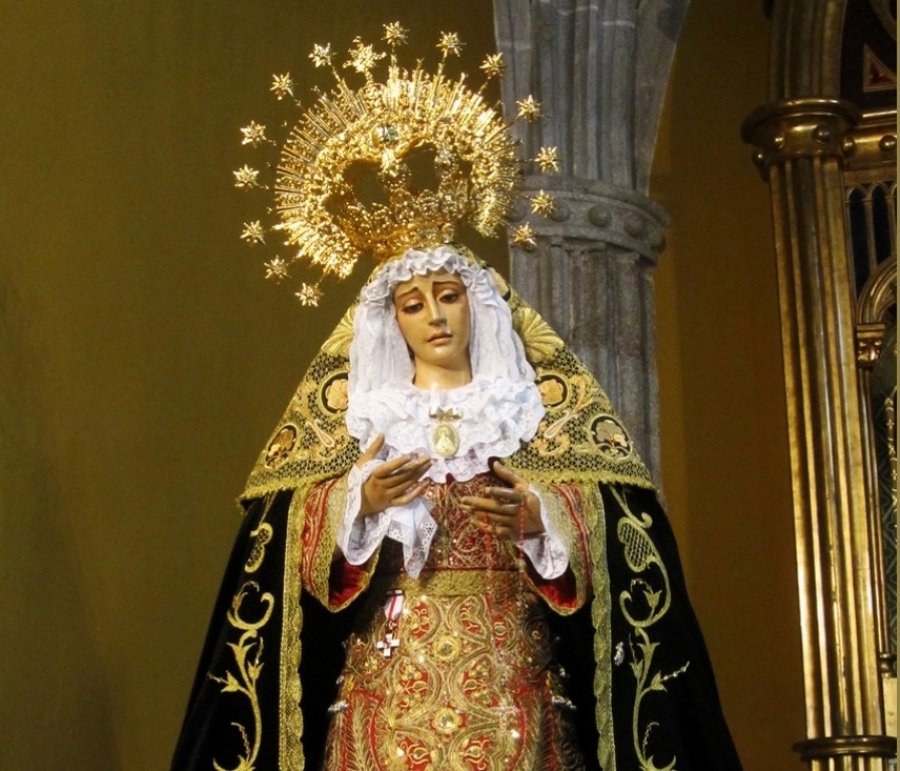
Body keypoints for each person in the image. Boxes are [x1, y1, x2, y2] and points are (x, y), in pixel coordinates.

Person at [171, 243, 743, 770]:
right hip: (388, 680)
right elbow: (287, 547)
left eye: (448, 296)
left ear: (479, 303)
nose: (435, 318)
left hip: (511, 675)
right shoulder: (367, 423)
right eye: (413, 304)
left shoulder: (527, 417)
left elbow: (612, 529)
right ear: (390, 320)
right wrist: (360, 506)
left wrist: (544, 521)